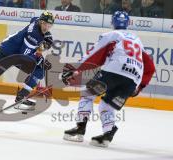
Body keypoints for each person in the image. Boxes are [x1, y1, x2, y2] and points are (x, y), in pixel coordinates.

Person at [62, 11, 155, 147]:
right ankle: (108, 133)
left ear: (112, 22)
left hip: (114, 70)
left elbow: (94, 54)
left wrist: (76, 69)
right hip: (133, 79)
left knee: (87, 94)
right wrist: (140, 86)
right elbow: (150, 67)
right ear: (128, 23)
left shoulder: (111, 35)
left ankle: (80, 128)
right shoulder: (137, 40)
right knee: (106, 106)